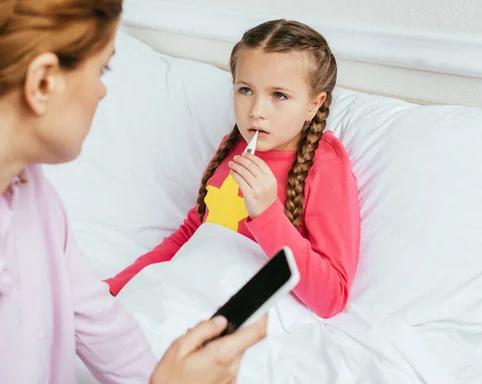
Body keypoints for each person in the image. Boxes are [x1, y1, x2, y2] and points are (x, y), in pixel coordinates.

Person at [0, 0, 266, 383]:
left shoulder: (27, 187)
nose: (103, 90)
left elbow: (95, 319)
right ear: (42, 83)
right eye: (101, 69)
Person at [107, 20, 361, 319]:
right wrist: (113, 290)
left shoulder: (324, 165)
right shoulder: (234, 146)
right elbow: (193, 232)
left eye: (279, 95)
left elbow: (331, 297)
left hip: (253, 316)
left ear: (313, 105)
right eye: (245, 90)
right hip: (187, 295)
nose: (256, 110)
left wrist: (267, 215)